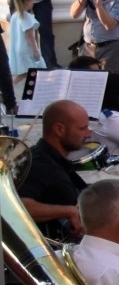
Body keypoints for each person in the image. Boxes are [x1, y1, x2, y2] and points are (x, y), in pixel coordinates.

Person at [17, 98, 90, 236]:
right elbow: (18, 206)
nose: (88, 134)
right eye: (82, 128)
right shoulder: (40, 165)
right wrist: (68, 211)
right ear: (59, 130)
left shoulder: (54, 159)